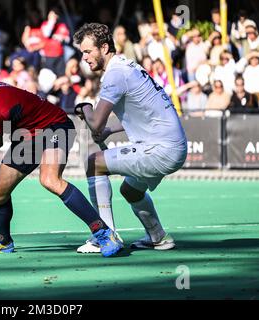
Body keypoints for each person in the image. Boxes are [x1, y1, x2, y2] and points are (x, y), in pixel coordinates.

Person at [0, 71, 122, 257]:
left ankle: (103, 232)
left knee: (50, 179)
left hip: (55, 126)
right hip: (27, 136)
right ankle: (2, 241)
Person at [73, 23, 187, 253]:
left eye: (87, 51)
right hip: (172, 146)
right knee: (131, 191)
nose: (84, 58)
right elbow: (141, 114)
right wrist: (108, 132)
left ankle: (106, 236)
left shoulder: (115, 74)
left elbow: (95, 122)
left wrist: (84, 107)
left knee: (94, 163)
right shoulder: (127, 67)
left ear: (104, 47)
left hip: (160, 149)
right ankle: (159, 237)